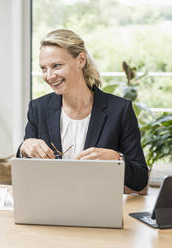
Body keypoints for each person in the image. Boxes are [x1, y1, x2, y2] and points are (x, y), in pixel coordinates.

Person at [17, 29, 148, 191]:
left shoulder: (120, 110)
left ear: (80, 60)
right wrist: (24, 148)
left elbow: (140, 179)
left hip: (98, 208)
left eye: (56, 66)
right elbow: (26, 172)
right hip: (49, 207)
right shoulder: (38, 109)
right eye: (44, 68)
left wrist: (117, 159)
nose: (49, 76)